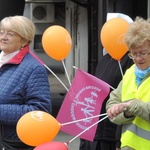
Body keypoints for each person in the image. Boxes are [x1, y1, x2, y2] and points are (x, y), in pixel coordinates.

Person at [0, 15, 52, 150]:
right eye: (1, 32)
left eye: (10, 34)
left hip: (11, 143)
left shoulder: (34, 68)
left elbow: (40, 111)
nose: (3, 37)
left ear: (24, 40)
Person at [106, 16, 150, 150]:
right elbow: (112, 104)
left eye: (142, 53)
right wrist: (122, 112)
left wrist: (131, 106)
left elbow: (129, 105)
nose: (138, 58)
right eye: (133, 54)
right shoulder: (130, 72)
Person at [79, 52, 133, 150]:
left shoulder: (131, 61)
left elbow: (126, 101)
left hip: (110, 136)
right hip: (92, 133)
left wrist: (118, 141)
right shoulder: (105, 59)